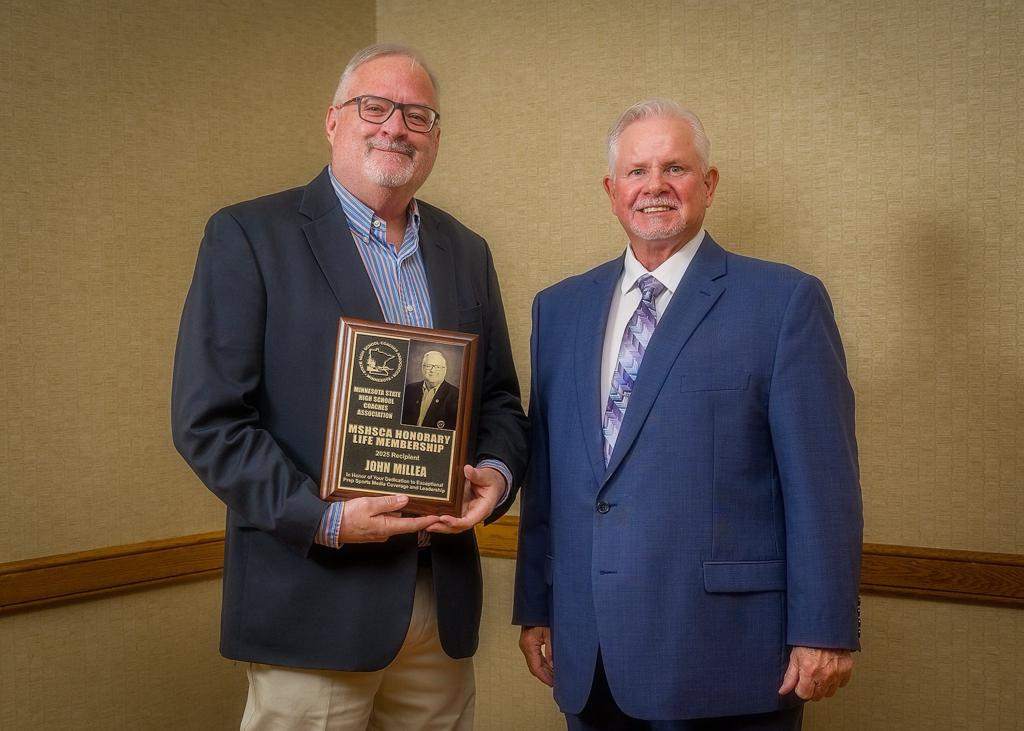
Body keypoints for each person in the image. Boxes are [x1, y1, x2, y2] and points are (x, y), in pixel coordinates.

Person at [172, 44, 528, 730]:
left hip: (439, 602)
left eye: (418, 115)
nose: (396, 127)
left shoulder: (466, 250)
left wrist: (495, 473)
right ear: (333, 120)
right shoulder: (249, 236)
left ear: (436, 138)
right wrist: (325, 519)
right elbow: (209, 422)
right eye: (375, 107)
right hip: (313, 601)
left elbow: (499, 402)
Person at [513, 99, 862, 730]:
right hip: (589, 652)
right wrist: (537, 606)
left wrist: (825, 628)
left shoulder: (784, 302)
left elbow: (823, 485)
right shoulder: (558, 309)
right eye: (637, 171)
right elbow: (549, 477)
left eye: (674, 168)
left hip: (727, 654)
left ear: (708, 183)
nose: (655, 186)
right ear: (611, 191)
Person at [402, 350, 459, 429]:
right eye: (428, 366)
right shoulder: (410, 389)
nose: (432, 370)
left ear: (445, 370)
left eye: (438, 367)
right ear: (422, 368)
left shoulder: (456, 395)